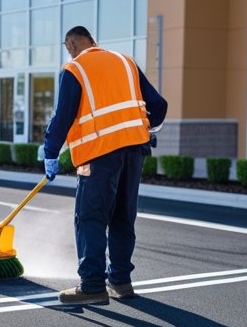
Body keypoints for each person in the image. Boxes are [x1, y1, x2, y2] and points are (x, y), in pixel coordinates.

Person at [42, 26, 167, 306]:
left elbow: (63, 116)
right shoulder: (126, 62)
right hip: (135, 151)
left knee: (90, 217)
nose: (69, 51)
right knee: (123, 216)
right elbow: (158, 104)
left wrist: (50, 152)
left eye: (68, 47)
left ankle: (93, 286)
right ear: (95, 41)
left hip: (97, 155)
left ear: (72, 44)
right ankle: (121, 281)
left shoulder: (75, 68)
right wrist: (149, 129)